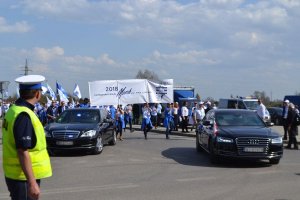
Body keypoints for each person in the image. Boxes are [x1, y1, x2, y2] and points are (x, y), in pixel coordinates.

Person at [2, 75, 52, 200]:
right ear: (37, 94)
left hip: (17, 175)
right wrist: (32, 182)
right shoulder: (24, 114)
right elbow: (22, 151)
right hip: (23, 177)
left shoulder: (14, 110)